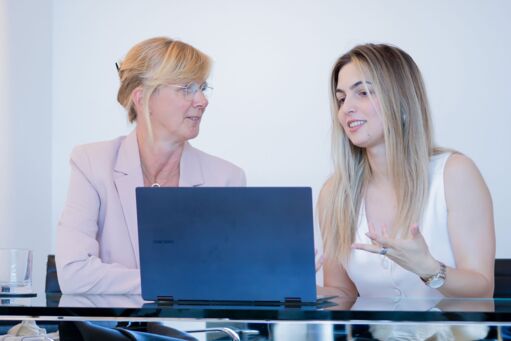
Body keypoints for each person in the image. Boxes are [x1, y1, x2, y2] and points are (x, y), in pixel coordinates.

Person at [56, 37, 246, 294]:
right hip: (113, 332)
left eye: (202, 87)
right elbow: (74, 274)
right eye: (186, 88)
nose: (202, 100)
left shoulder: (226, 178)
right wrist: (176, 281)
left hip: (194, 333)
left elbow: (229, 279)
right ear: (142, 97)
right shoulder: (91, 162)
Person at [317, 43, 495, 298]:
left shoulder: (455, 173)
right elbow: (343, 294)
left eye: (364, 93)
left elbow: (483, 287)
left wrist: (429, 269)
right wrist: (295, 292)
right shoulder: (334, 194)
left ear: (401, 100)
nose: (346, 109)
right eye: (341, 98)